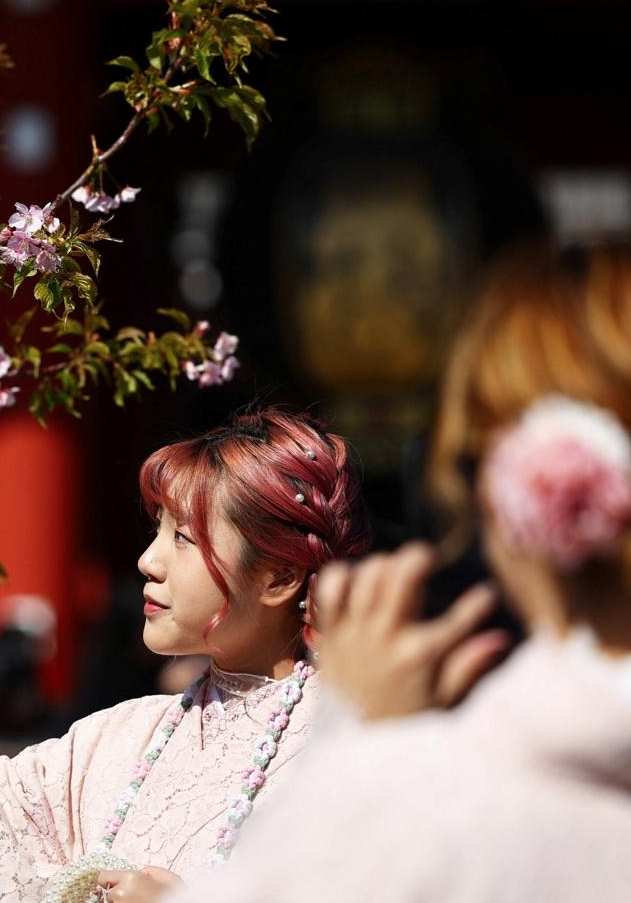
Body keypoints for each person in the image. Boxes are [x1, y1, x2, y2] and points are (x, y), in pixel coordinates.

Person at [179, 244, 631, 902]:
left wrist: (361, 747)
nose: (146, 562)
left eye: (185, 537)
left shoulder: (446, 790)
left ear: (539, 481)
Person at [0, 409, 370, 902]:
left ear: (279, 577)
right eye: (159, 531)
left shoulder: (351, 749)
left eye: (184, 538)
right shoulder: (115, 742)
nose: (148, 560)